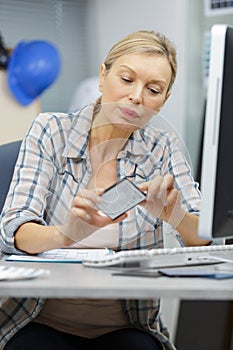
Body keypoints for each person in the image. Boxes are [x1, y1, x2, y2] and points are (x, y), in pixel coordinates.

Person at [0, 30, 212, 350]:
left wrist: (175, 215)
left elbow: (203, 235)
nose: (137, 96)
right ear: (103, 76)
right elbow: (13, 230)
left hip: (128, 324)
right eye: (126, 79)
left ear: (163, 100)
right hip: (39, 319)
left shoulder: (163, 147)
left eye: (153, 89)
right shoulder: (50, 130)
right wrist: (66, 235)